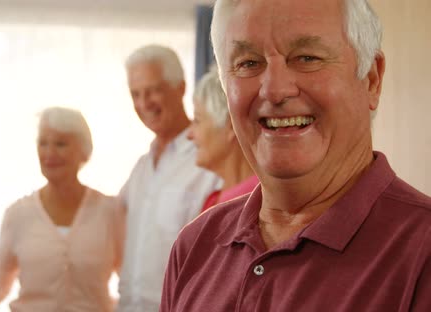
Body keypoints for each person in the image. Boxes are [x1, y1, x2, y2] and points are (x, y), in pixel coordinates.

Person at [160, 0, 431, 311]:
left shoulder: (422, 253)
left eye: (307, 57)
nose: (274, 91)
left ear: (371, 79)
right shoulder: (194, 246)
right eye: (249, 63)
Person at [0, 106, 123, 312]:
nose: (49, 153)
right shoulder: (18, 215)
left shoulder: (110, 212)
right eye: (43, 143)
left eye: (60, 144)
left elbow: (131, 282)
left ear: (83, 151)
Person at [116, 44, 220, 312]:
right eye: (135, 94)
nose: (143, 103)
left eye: (153, 91)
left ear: (181, 88)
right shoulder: (140, 167)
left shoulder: (208, 162)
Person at [187, 67, 258, 213]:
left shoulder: (261, 201)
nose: (189, 134)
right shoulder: (214, 200)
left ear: (231, 127)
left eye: (197, 120)